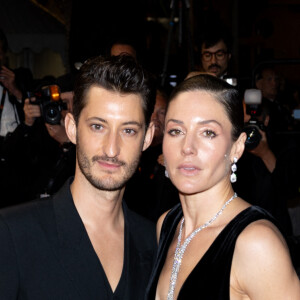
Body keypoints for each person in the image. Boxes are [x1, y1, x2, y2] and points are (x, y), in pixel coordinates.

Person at [0, 55, 158, 299]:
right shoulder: (13, 233)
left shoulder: (155, 243)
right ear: (72, 128)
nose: (112, 149)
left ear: (147, 138)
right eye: (98, 126)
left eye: (128, 130)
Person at [145, 74, 300, 299]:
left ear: (237, 148)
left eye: (208, 133)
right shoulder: (167, 225)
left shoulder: (256, 243)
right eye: (176, 131)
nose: (187, 147)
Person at [0, 77, 76, 208]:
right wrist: (27, 123)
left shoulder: (89, 131)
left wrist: (68, 142)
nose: (70, 108)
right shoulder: (43, 127)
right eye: (64, 102)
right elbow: (8, 157)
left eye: (76, 102)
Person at [124, 87, 179, 222]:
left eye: (161, 112)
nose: (155, 118)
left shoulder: (176, 153)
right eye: (151, 112)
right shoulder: (129, 148)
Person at [0, 28, 33, 146]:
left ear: (3, 55)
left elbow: (35, 116)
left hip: (17, 146)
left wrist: (14, 90)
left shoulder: (20, 77)